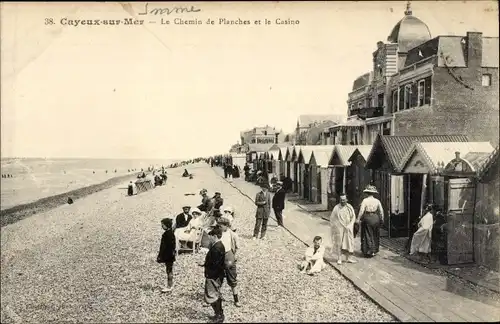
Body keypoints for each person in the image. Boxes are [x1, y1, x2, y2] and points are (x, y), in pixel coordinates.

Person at [199, 226, 226, 323]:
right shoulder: (220, 245)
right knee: (214, 295)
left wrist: (209, 275)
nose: (209, 238)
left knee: (212, 296)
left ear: (214, 236)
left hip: (213, 276)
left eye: (210, 236)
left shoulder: (216, 248)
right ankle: (218, 314)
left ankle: (219, 316)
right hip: (218, 275)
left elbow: (215, 264)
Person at [217, 217, 241, 307]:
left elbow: (237, 246)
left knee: (232, 278)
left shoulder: (232, 234)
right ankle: (215, 296)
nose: (219, 227)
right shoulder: (217, 233)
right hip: (219, 255)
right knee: (216, 276)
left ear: (226, 226)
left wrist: (235, 256)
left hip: (228, 255)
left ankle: (236, 299)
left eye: (221, 226)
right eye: (218, 225)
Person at [356, 185, 384, 258]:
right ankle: (374, 250)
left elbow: (361, 211)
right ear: (374, 193)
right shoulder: (377, 201)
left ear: (367, 193)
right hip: (375, 217)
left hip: (367, 217)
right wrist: (382, 219)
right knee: (375, 234)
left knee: (367, 234)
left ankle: (368, 251)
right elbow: (381, 211)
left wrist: (358, 219)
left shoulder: (365, 200)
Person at [331, 194, 357, 264]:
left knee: (349, 242)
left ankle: (348, 258)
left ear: (346, 200)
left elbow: (353, 217)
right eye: (341, 200)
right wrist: (339, 225)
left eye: (344, 199)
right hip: (340, 228)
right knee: (340, 243)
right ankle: (339, 258)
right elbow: (333, 218)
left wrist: (350, 225)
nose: (342, 201)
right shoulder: (336, 208)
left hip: (348, 228)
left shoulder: (349, 207)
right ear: (339, 200)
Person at [157, 218, 176, 293]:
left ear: (166, 225)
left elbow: (163, 247)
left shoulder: (166, 234)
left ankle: (169, 286)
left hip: (168, 255)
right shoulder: (171, 233)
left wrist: (160, 256)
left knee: (169, 270)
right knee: (169, 270)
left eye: (163, 225)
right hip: (171, 255)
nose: (162, 226)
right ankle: (170, 285)